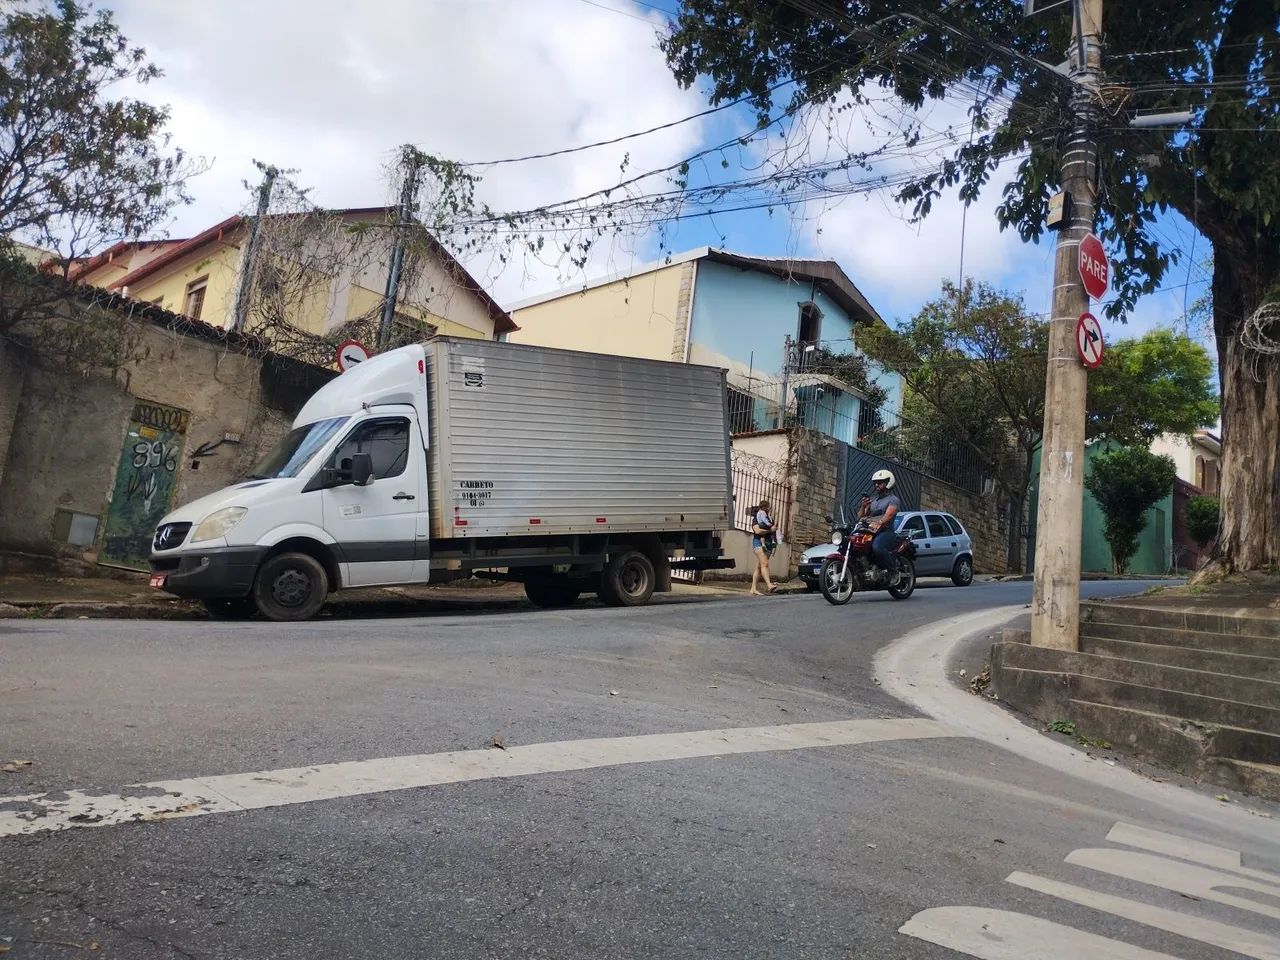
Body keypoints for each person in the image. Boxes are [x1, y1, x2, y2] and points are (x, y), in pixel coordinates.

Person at [859, 469, 902, 581]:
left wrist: (880, 523)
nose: (876, 485)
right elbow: (861, 517)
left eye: (880, 482)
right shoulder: (873, 500)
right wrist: (863, 506)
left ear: (888, 482)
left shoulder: (893, 500)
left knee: (877, 547)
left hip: (885, 531)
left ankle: (893, 571)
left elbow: (889, 515)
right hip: (870, 531)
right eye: (875, 483)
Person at [749, 498, 777, 596]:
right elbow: (757, 531)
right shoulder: (756, 518)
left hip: (769, 543)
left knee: (759, 566)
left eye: (768, 507)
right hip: (758, 543)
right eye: (766, 507)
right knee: (764, 563)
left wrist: (775, 544)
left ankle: (753, 588)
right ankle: (769, 585)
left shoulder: (770, 519)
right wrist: (770, 530)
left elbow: (774, 531)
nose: (768, 509)